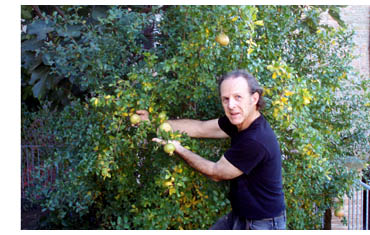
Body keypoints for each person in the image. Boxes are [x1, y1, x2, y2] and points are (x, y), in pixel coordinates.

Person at [136, 70, 286, 230]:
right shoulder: (238, 121)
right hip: (241, 215)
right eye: (225, 99)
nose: (231, 105)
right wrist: (153, 123)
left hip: (263, 224)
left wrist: (179, 149)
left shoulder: (256, 140)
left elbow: (216, 172)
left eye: (238, 97)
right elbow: (200, 128)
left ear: (254, 98)